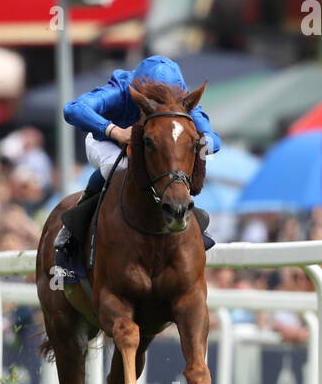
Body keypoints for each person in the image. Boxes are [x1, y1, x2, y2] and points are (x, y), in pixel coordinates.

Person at [51, 55, 221, 281]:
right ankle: (74, 226)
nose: (161, 104)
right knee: (120, 166)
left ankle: (187, 216)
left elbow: (214, 141)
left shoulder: (181, 101)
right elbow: (72, 109)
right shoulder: (122, 88)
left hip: (152, 151)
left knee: (172, 164)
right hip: (106, 142)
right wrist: (114, 131)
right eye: (152, 100)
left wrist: (187, 142)